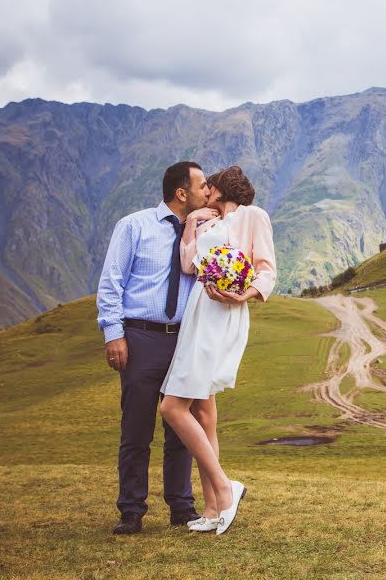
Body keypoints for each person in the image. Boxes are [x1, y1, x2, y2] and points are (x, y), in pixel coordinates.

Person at [96, 161, 213, 535]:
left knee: (181, 424)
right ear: (182, 193)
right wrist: (114, 333)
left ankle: (182, 507)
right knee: (136, 429)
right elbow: (111, 282)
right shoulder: (134, 226)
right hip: (142, 337)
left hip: (185, 339)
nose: (207, 192)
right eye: (202, 186)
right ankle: (131, 510)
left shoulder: (203, 230)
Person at [159, 165, 276, 535]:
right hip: (198, 311)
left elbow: (267, 269)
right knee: (205, 413)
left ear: (222, 188)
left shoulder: (252, 217)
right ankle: (211, 508)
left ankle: (225, 489)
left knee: (172, 407)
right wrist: (192, 222)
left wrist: (245, 293)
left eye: (208, 185)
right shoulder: (206, 223)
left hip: (222, 313)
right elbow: (187, 264)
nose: (203, 190)